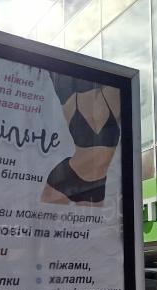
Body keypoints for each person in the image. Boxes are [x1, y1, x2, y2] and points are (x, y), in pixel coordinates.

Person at [41, 73, 121, 206]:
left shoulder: (111, 96)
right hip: (66, 177)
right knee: (41, 216)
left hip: (97, 185)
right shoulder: (71, 103)